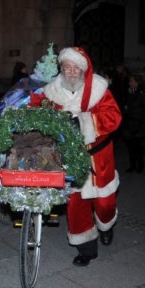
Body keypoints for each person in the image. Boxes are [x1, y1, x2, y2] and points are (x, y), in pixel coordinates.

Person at [28, 47, 122, 266]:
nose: (71, 72)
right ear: (61, 69)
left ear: (83, 70)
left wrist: (84, 122)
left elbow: (114, 117)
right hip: (67, 157)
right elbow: (34, 107)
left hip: (97, 158)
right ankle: (86, 248)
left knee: (104, 202)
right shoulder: (51, 92)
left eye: (75, 68)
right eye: (67, 67)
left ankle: (106, 225)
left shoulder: (99, 89)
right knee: (75, 204)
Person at [121, 73, 145, 173]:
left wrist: (128, 108)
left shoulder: (141, 93)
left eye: (132, 81)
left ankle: (140, 165)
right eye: (129, 81)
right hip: (129, 125)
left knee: (137, 147)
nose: (129, 83)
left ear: (137, 82)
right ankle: (132, 165)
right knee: (130, 147)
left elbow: (138, 108)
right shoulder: (129, 92)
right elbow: (124, 105)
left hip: (138, 125)